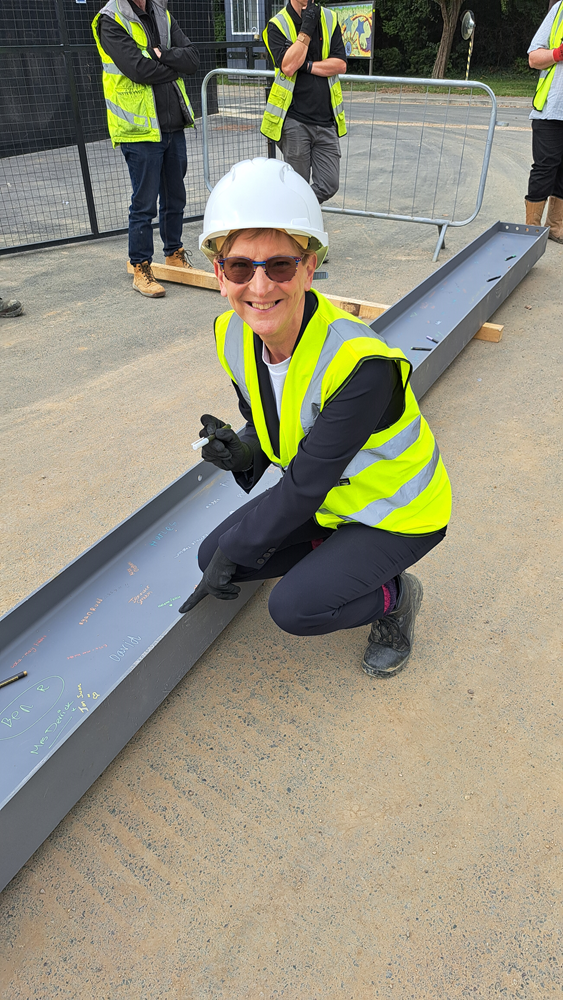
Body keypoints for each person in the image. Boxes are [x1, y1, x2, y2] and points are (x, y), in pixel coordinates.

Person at [179, 158, 452, 678]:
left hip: (398, 514)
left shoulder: (359, 364)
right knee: (210, 555)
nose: (259, 288)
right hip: (331, 498)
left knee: (295, 607)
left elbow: (304, 486)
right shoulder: (231, 334)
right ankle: (336, 552)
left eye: (279, 266)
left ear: (310, 267)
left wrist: (241, 545)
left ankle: (393, 598)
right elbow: (272, 419)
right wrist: (242, 450)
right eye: (240, 267)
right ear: (219, 274)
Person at [92, 0, 200, 296]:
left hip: (172, 123)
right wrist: (172, 66)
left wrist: (162, 56)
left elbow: (192, 59)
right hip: (139, 130)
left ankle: (173, 254)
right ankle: (140, 266)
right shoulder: (111, 19)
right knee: (144, 203)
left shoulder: (161, 12)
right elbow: (138, 69)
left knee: (175, 196)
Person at [262, 0, 347, 206]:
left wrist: (307, 65)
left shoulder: (329, 18)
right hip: (295, 120)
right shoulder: (277, 24)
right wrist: (306, 28)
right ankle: (298, 227)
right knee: (297, 183)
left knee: (328, 184)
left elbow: (340, 64)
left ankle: (285, 208)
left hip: (326, 120)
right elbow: (289, 66)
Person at [525, 0, 563, 243]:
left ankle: (556, 228)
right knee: (545, 168)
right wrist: (558, 53)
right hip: (552, 109)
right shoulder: (560, 10)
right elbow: (533, 58)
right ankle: (531, 230)